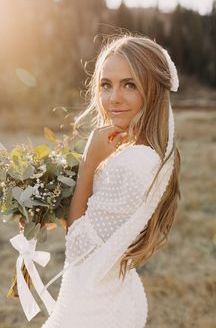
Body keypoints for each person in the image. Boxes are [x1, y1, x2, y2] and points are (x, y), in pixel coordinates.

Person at [40, 34, 181, 328]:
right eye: (106, 85)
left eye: (129, 85)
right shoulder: (136, 152)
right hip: (111, 289)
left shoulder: (135, 164)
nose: (114, 97)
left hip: (94, 305)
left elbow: (80, 248)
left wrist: (90, 162)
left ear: (153, 91)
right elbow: (97, 221)